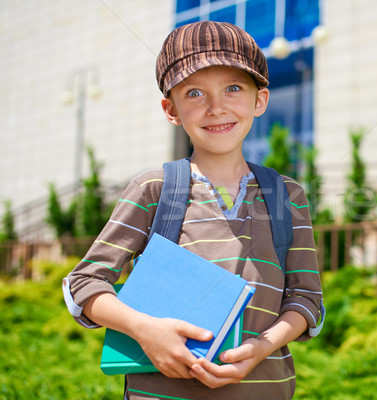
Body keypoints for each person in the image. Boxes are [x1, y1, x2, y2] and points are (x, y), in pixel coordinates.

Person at [62, 21, 324, 400]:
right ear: (171, 110)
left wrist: (263, 346)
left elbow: (306, 300)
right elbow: (83, 284)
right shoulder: (154, 189)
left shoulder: (287, 195)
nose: (216, 108)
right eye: (195, 92)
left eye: (233, 88)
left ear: (260, 100)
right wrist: (146, 330)